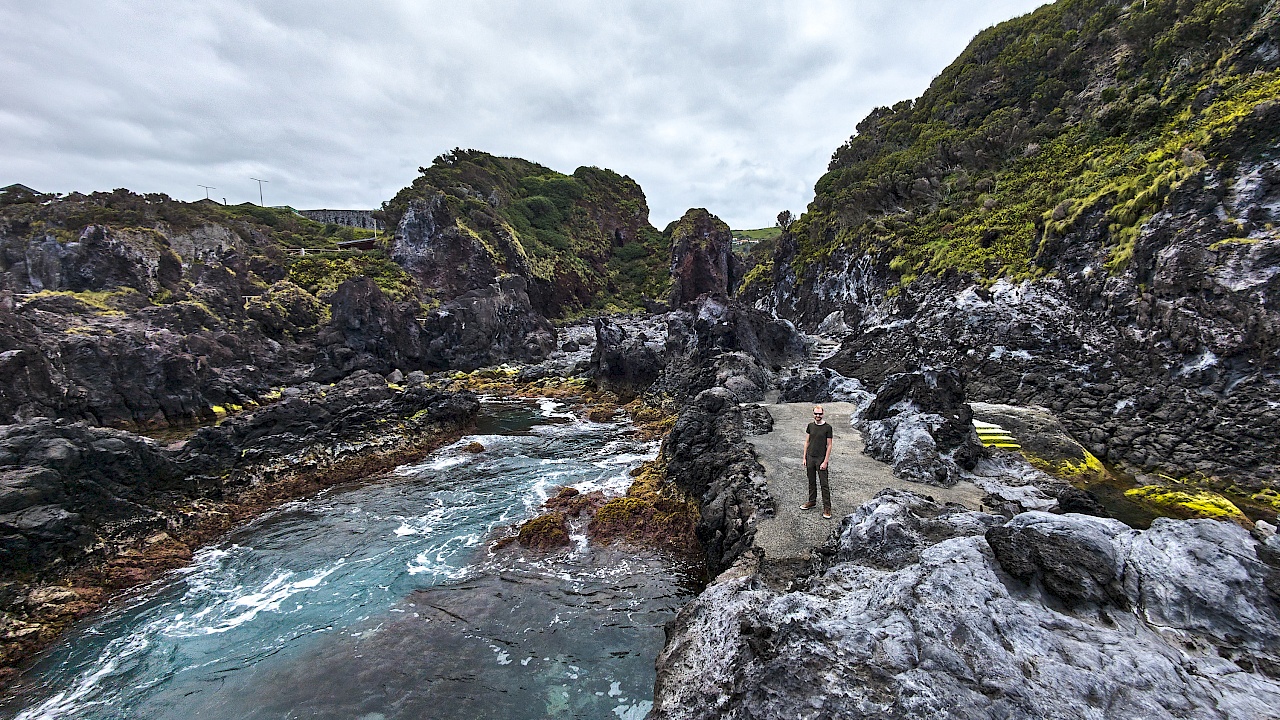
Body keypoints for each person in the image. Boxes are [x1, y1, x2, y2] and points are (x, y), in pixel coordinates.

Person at [802, 405, 834, 518]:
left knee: (824, 484)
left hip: (821, 458)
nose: (818, 416)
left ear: (823, 414)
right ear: (813, 414)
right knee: (811, 481)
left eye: (819, 414)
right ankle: (812, 501)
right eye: (816, 413)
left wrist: (825, 461)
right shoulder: (810, 426)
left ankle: (827, 508)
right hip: (810, 457)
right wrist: (804, 457)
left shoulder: (827, 428)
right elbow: (807, 442)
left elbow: (829, 445)